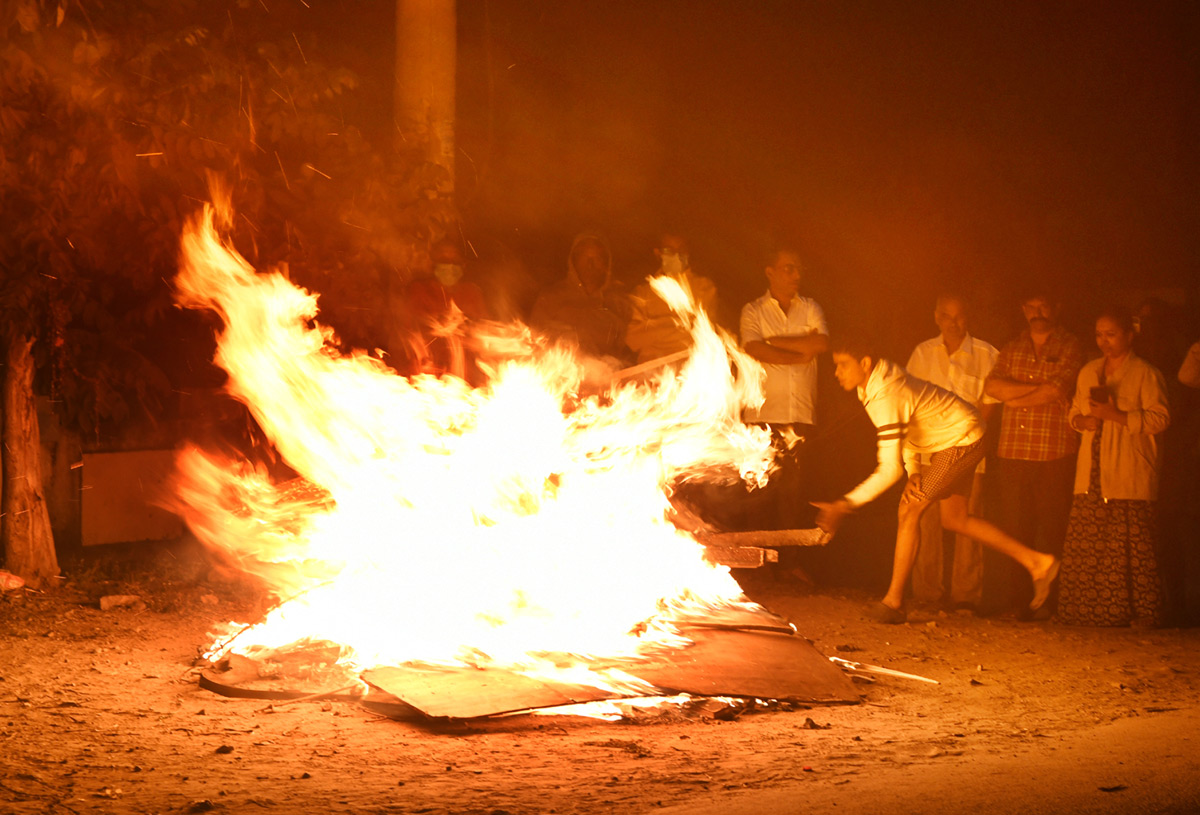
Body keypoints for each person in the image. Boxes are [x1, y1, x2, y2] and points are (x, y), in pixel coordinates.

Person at [812, 333, 1059, 624]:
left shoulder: (885, 393)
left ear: (865, 364)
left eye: (842, 364)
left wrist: (845, 503)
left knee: (909, 509)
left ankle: (893, 603)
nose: (836, 372)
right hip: (958, 436)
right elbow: (907, 428)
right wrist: (914, 470)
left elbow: (889, 469)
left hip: (962, 439)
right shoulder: (873, 387)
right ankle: (1039, 562)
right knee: (955, 519)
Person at [1057, 307, 1170, 627]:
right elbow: (1074, 414)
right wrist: (1084, 420)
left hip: (1129, 473)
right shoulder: (1089, 371)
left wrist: (1116, 416)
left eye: (1111, 334)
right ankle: (1091, 612)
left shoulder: (1145, 373)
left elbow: (1160, 418)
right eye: (1099, 335)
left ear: (1128, 336)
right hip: (1091, 474)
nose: (1104, 341)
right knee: (1091, 545)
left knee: (1135, 547)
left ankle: (1144, 613)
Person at [983, 290, 1083, 617]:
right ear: (1023, 309)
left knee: (1051, 526)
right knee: (1015, 527)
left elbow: (1058, 389)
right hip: (1013, 450)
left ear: (1056, 307)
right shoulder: (1012, 347)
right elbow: (992, 388)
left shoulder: (1070, 345)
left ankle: (1049, 604)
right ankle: (1017, 602)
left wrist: (1015, 396)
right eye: (1030, 307)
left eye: (1043, 305)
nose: (1036, 312)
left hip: (1055, 451)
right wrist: (1037, 389)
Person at [905, 294, 998, 613]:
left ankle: (966, 596)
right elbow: (911, 401)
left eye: (959, 317)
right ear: (936, 316)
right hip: (931, 449)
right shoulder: (923, 353)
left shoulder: (986, 354)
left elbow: (990, 405)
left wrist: (964, 438)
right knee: (926, 522)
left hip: (969, 450)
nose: (953, 322)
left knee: (966, 521)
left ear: (968, 317)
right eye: (947, 316)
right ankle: (928, 593)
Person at [736, 247, 827, 530]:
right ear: (770, 272)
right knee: (758, 496)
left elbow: (821, 344)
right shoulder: (753, 310)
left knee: (792, 498)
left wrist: (773, 342)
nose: (796, 275)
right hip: (761, 417)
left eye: (799, 269)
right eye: (789, 268)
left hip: (799, 416)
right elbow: (754, 348)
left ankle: (788, 566)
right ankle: (760, 567)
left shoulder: (811, 307)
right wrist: (799, 352)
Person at [530, 232, 632, 364]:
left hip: (607, 377)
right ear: (573, 260)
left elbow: (626, 349)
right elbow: (533, 340)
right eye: (584, 257)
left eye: (597, 258)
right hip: (558, 376)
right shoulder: (551, 297)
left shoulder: (619, 303)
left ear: (606, 263)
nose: (590, 264)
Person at [403, 238, 490, 382]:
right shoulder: (419, 290)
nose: (449, 264)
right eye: (443, 258)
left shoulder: (472, 292)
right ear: (433, 263)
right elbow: (409, 329)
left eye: (454, 259)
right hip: (427, 372)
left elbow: (482, 330)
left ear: (463, 264)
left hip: (464, 375)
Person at [625, 233, 719, 365]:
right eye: (670, 250)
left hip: (693, 369)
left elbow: (701, 331)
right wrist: (678, 322)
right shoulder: (642, 293)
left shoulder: (704, 287)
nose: (677, 254)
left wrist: (654, 327)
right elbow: (633, 339)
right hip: (650, 373)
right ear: (658, 254)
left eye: (682, 249)